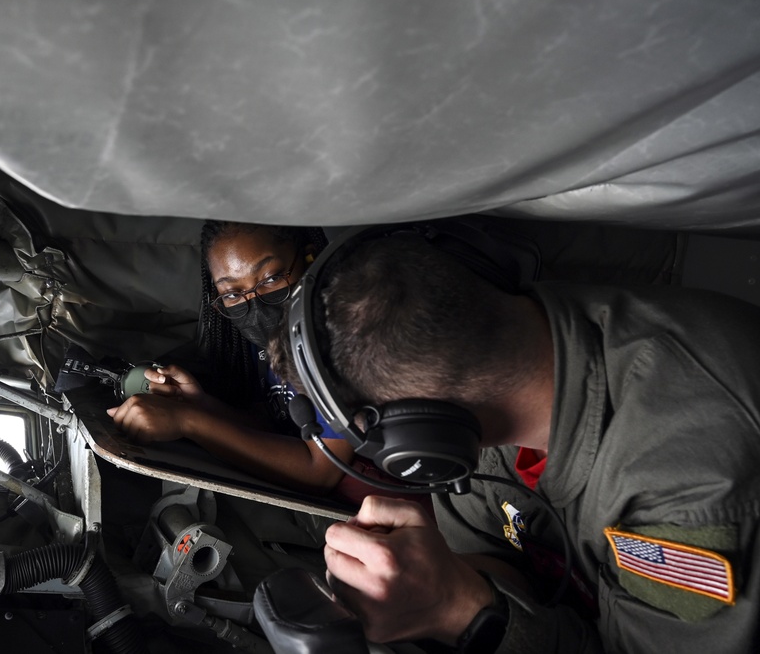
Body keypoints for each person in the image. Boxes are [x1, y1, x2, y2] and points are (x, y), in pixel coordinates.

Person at [269, 230, 760, 652]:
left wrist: (462, 613)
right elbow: (503, 554)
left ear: (419, 433)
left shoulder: (682, 469)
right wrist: (439, 575)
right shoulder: (504, 349)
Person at [106, 220, 357, 496]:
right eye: (233, 293)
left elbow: (321, 470)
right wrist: (199, 404)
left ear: (310, 258)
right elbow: (272, 430)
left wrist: (187, 421)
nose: (255, 303)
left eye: (271, 278)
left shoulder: (339, 345)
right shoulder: (258, 345)